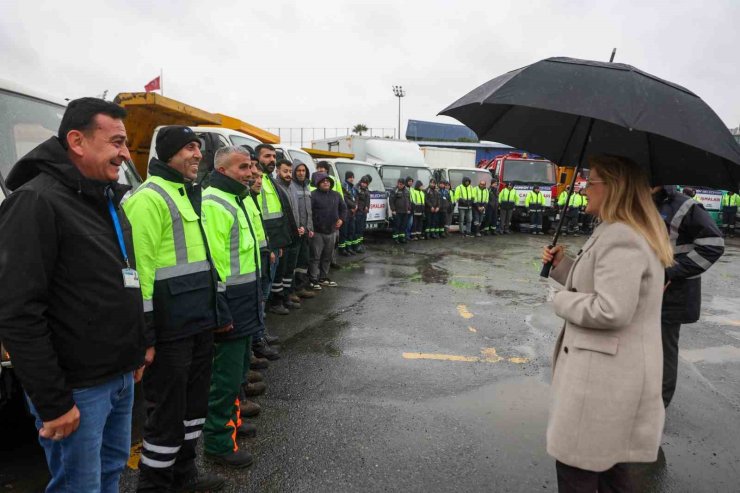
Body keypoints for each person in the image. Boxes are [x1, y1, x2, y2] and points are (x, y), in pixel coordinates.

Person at [0, 98, 146, 493]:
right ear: (77, 141)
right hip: (77, 389)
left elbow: (121, 281)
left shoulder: (106, 198)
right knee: (79, 486)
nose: (124, 154)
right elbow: (17, 311)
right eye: (116, 142)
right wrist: (53, 401)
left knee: (111, 471)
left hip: (119, 376)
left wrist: (135, 351)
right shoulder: (36, 201)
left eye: (125, 143)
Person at [542, 154, 674, 492]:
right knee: (611, 475)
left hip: (600, 384)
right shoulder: (618, 231)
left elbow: (612, 308)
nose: (584, 188)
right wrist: (563, 266)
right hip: (607, 382)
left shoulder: (622, 236)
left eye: (592, 181)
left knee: (579, 474)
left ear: (613, 187)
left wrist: (559, 300)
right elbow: (603, 284)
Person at [124, 125, 224, 492]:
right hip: (169, 331)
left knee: (192, 411)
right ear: (168, 154)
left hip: (197, 323)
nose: (198, 154)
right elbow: (140, 275)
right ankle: (155, 485)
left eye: (198, 147)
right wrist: (146, 335)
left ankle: (184, 476)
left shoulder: (188, 194)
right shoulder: (148, 198)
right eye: (188, 148)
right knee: (166, 415)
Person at [201, 146, 264, 468]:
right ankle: (217, 442)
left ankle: (233, 424)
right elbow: (215, 263)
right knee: (224, 378)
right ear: (223, 170)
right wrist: (221, 309)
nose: (250, 172)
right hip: (231, 305)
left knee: (238, 372)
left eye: (251, 166)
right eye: (243, 167)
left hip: (245, 300)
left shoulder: (235, 199)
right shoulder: (215, 203)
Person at [654, 185, 724, 407]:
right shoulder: (636, 202)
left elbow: (713, 246)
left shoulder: (684, 206)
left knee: (664, 351)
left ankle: (658, 407)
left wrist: (669, 272)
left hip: (672, 294)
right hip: (644, 290)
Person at [273, 159, 303, 310]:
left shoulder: (292, 188)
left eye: (290, 171)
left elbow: (295, 212)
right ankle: (277, 301)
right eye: (285, 171)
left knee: (289, 269)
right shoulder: (276, 187)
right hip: (284, 237)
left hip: (294, 235)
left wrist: (300, 227)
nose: (288, 174)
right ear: (277, 171)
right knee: (281, 270)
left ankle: (286, 295)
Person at [309, 172, 346, 287]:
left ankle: (323, 278)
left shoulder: (336, 195)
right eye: (323, 181)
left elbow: (343, 209)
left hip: (332, 231)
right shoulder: (312, 195)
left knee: (327, 256)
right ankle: (313, 279)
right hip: (317, 232)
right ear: (318, 183)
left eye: (328, 181)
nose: (326, 182)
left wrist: (341, 219)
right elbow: (308, 212)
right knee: (315, 256)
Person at [287, 160, 317, 296]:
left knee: (303, 261)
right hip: (296, 232)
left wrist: (310, 227)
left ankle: (300, 288)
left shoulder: (307, 187)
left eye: (303, 170)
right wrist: (298, 228)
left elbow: (308, 210)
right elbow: (292, 210)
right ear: (294, 172)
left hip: (306, 231)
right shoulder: (291, 186)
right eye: (298, 170)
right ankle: (291, 290)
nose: (301, 173)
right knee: (292, 263)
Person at [339, 171, 357, 255]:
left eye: (353, 177)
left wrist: (355, 206)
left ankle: (348, 248)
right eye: (350, 177)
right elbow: (345, 199)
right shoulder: (344, 186)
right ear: (347, 178)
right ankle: (342, 249)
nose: (352, 179)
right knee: (344, 232)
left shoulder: (352, 187)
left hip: (352, 214)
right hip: (346, 212)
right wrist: (353, 206)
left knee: (351, 231)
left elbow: (355, 198)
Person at [389, 178, 411, 244]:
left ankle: (402, 238)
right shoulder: (394, 190)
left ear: (404, 184)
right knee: (397, 226)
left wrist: (409, 209)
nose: (399, 185)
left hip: (405, 211)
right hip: (397, 212)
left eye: (401, 184)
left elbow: (409, 201)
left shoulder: (407, 190)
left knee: (403, 226)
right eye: (398, 184)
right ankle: (396, 238)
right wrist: (393, 210)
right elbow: (391, 201)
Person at [353, 175, 371, 252]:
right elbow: (356, 200)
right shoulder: (356, 189)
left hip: (364, 213)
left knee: (361, 229)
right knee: (357, 230)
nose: (364, 184)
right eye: (363, 183)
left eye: (365, 183)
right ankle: (356, 246)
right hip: (358, 212)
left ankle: (360, 244)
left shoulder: (366, 190)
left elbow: (368, 200)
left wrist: (367, 207)